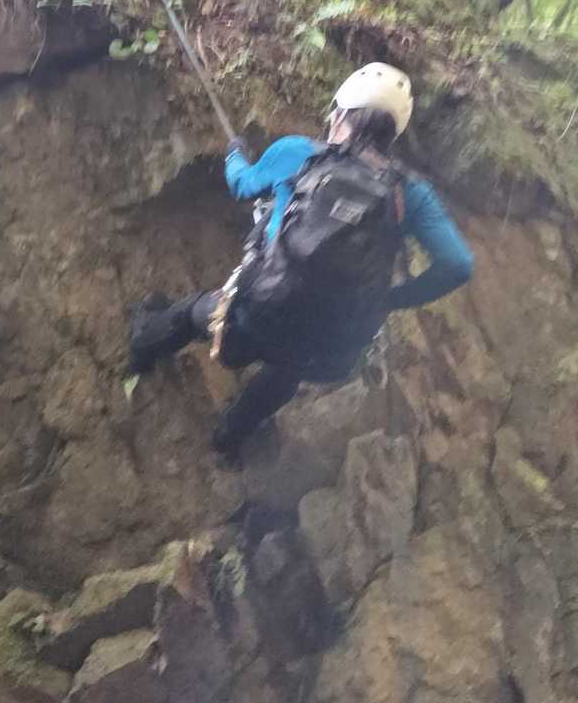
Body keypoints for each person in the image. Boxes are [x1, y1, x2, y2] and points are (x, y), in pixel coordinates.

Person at [127, 64, 474, 459]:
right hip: (329, 349)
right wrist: (389, 299)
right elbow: (458, 265)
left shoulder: (298, 153)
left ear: (340, 113)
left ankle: (141, 346)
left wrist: (234, 154)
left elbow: (242, 184)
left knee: (196, 312)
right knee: (286, 371)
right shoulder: (410, 195)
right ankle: (228, 442)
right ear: (391, 133)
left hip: (256, 318)